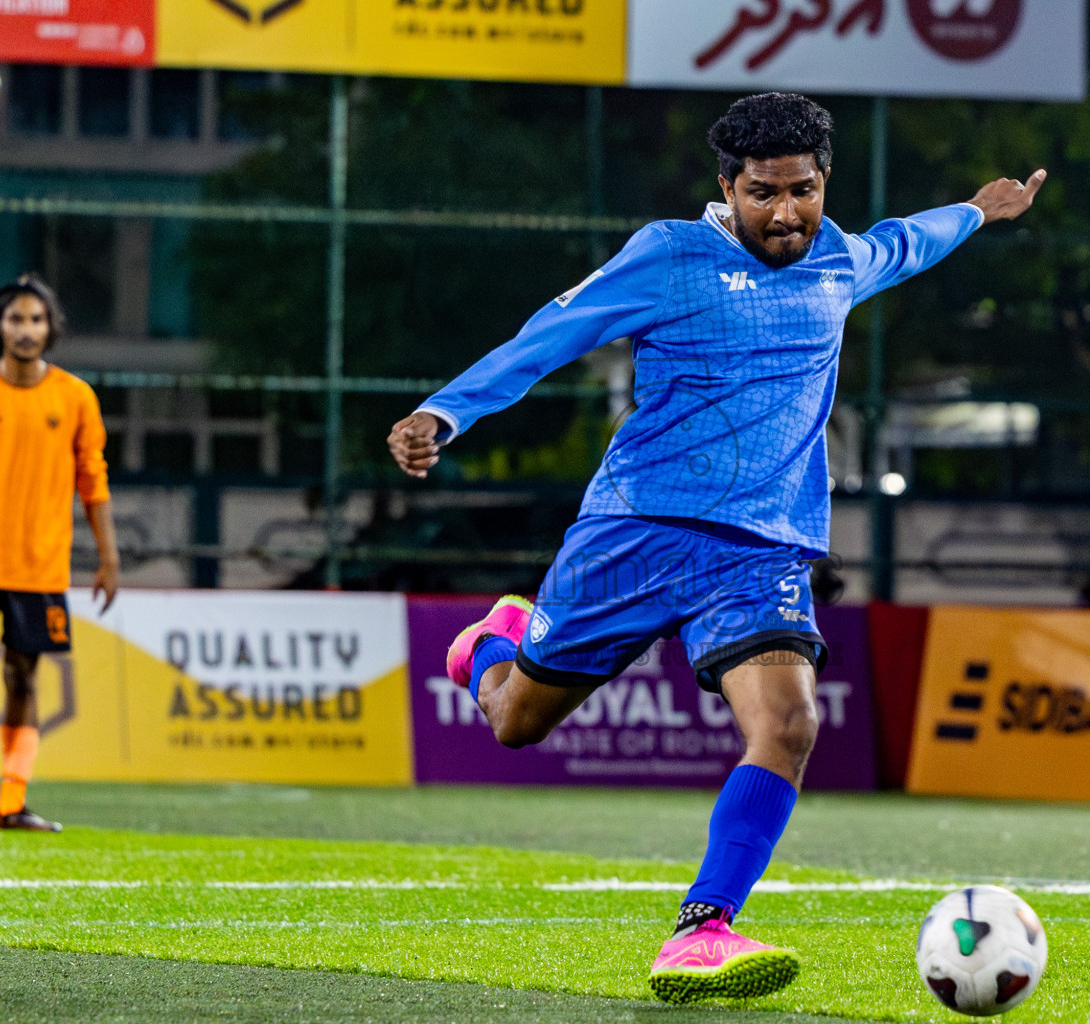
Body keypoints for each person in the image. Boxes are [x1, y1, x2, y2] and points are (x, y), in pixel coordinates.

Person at [387, 92, 1042, 1003]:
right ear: (726, 186)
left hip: (760, 548)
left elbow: (909, 239)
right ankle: (493, 644)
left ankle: (702, 930)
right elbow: (549, 336)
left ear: (824, 182)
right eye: (765, 193)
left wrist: (979, 210)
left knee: (791, 723)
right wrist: (443, 410)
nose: (786, 214)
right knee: (514, 722)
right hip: (635, 531)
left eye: (804, 191)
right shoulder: (669, 255)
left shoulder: (838, 259)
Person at [0, 274, 119, 833]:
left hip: (39, 563)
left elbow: (93, 482)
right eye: (16, 319)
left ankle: (12, 803)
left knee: (23, 678)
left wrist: (109, 558)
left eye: (36, 319)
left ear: (51, 328)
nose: (26, 329)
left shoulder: (76, 397)